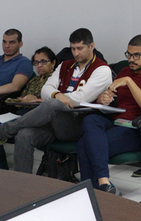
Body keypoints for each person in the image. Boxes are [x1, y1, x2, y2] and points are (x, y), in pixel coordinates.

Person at [0, 28, 112, 173]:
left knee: (52, 103)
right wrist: (57, 95)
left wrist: (56, 97)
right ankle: (23, 185)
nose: (76, 53)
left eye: (80, 48)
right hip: (52, 121)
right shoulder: (65, 65)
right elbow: (45, 90)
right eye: (73, 48)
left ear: (91, 46)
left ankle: (6, 130)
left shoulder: (102, 69)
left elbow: (81, 98)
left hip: (77, 123)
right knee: (24, 135)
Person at [77, 35, 141, 195]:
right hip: (115, 122)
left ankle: (95, 190)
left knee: (84, 145)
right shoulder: (125, 71)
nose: (131, 59)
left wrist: (129, 82)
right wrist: (102, 98)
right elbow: (108, 94)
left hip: (137, 129)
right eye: (129, 54)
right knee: (90, 120)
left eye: (136, 55)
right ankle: (103, 184)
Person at [5, 47, 57, 114]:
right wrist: (20, 101)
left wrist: (35, 100)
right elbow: (22, 97)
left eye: (43, 62)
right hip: (22, 112)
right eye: (36, 62)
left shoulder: (57, 78)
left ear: (53, 63)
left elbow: (55, 101)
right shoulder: (33, 80)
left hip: (41, 114)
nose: (39, 65)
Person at [0, 29, 32, 95]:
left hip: (4, 100)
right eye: (4, 42)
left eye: (12, 42)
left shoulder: (24, 62)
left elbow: (15, 86)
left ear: (20, 44)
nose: (7, 46)